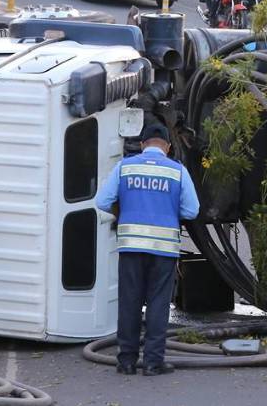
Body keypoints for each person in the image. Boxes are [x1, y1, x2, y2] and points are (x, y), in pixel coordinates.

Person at [96, 123, 199, 376]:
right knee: (158, 304)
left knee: (129, 302)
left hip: (131, 246)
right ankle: (153, 363)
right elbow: (191, 211)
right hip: (163, 249)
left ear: (142, 145)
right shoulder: (178, 172)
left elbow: (102, 201)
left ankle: (126, 362)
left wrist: (123, 211)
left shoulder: (125, 167)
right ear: (168, 147)